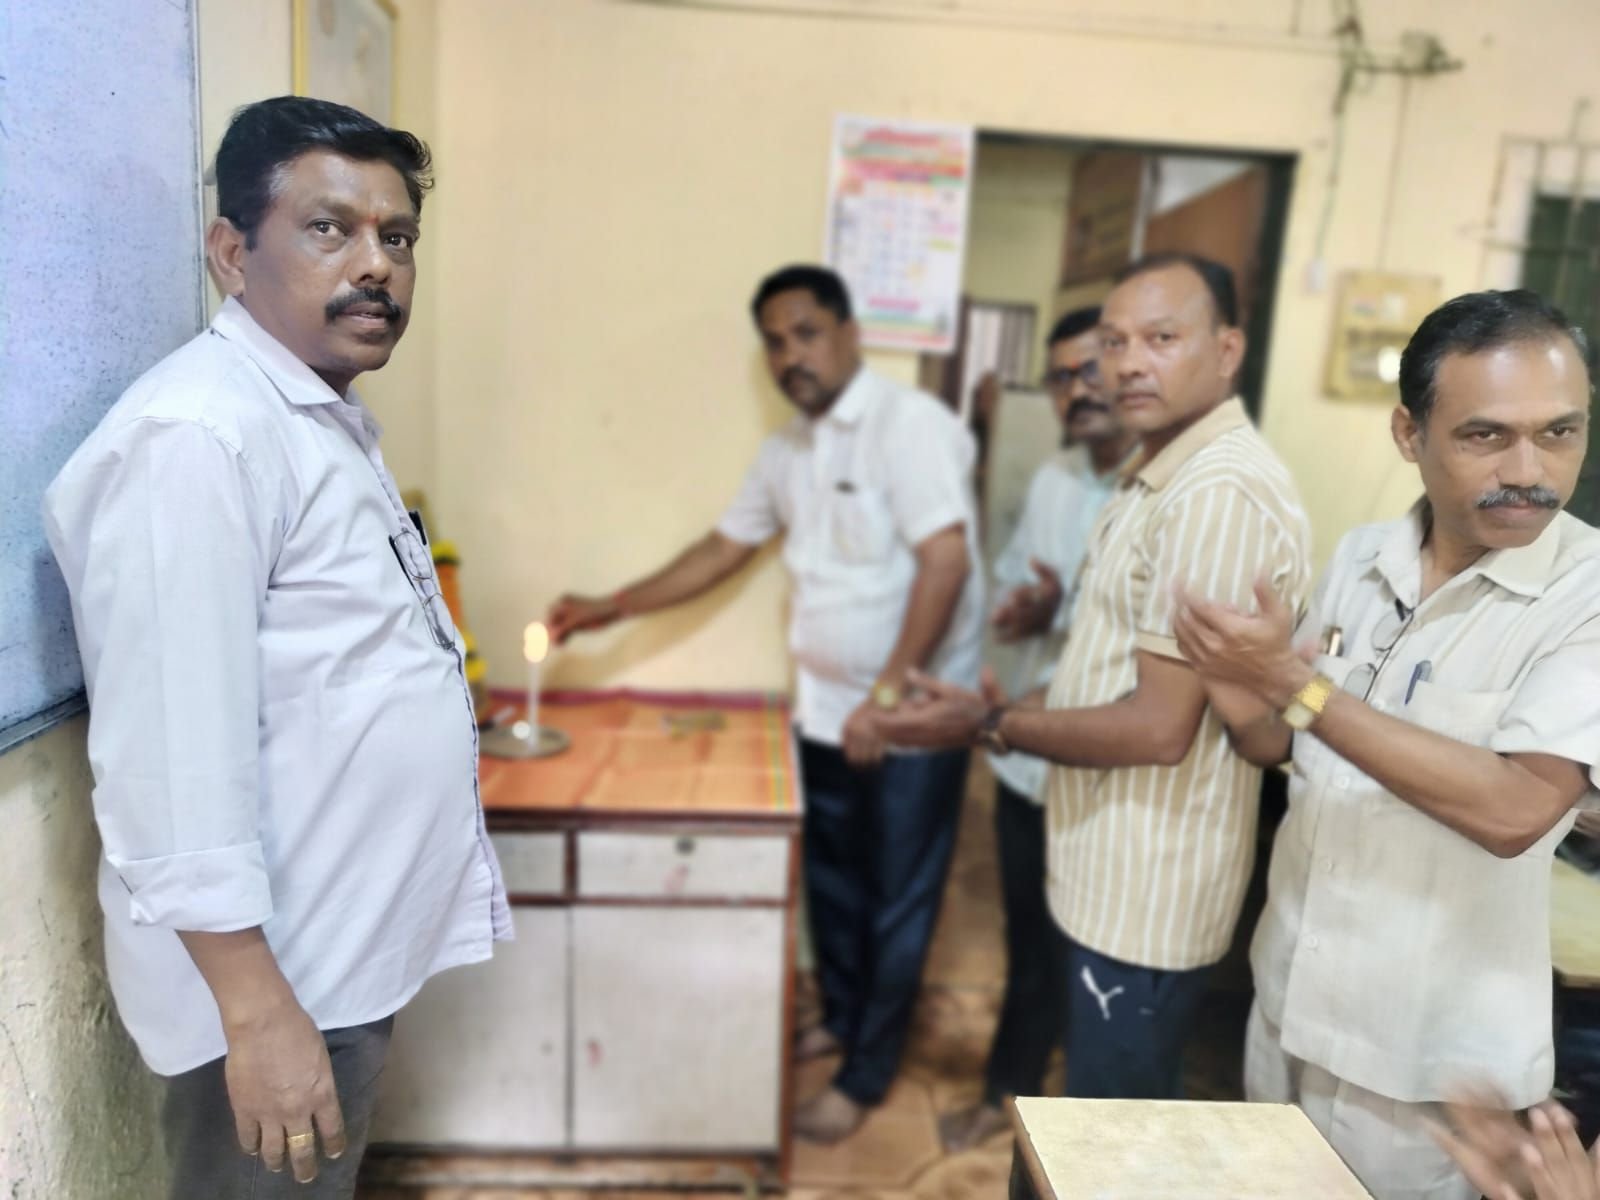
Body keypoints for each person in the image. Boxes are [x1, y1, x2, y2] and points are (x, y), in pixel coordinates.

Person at [42, 97, 509, 1199]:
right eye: (328, 228)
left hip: (330, 961)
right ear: (230, 251)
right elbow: (170, 764)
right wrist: (257, 1011)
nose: (377, 265)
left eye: (397, 236)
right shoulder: (198, 441)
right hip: (269, 995)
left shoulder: (308, 416)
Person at [1171, 289, 1600, 1200]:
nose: (1530, 470)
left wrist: (1292, 684)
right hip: (1289, 998)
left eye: (1559, 433)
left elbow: (1517, 809)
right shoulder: (1364, 559)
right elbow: (1286, 743)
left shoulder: (1585, 595)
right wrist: (1231, 670)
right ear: (1410, 434)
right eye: (1486, 436)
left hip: (1427, 1065)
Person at [546, 264, 984, 1142]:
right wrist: (612, 605)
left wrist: (886, 697)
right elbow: (723, 549)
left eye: (806, 333)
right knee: (836, 890)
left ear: (850, 332)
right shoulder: (787, 450)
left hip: (907, 720)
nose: (791, 357)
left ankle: (865, 1075)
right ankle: (845, 1019)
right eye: (775, 343)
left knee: (897, 902)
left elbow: (946, 563)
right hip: (823, 712)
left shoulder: (910, 427)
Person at [877, 252, 1312, 1101]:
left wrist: (988, 726)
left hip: (1146, 889)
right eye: (1114, 343)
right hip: (1105, 865)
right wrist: (1001, 708)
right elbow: (1102, 667)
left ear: (1227, 350)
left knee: (1112, 1139)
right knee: (1083, 1120)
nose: (1129, 364)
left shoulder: (1217, 492)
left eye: (1161, 338)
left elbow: (1159, 727)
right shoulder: (1154, 479)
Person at [939, 306, 1138, 1152]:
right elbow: (1017, 592)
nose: (1077, 390)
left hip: (1108, 768)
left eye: (1092, 369)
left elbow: (1146, 651)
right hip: (1029, 758)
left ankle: (1065, 1126)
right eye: (1061, 377)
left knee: (1088, 954)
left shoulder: (1166, 490)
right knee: (1027, 937)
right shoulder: (1057, 478)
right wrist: (1030, 610)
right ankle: (1011, 1094)